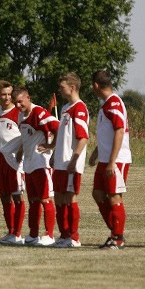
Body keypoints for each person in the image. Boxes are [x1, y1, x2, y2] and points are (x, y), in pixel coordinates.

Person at [89, 70, 132, 250]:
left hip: (116, 159)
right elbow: (108, 133)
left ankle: (118, 238)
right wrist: (97, 152)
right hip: (106, 159)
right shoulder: (105, 104)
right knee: (98, 193)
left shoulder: (113, 103)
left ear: (96, 86)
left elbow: (120, 131)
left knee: (114, 197)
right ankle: (114, 231)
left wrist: (113, 161)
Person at [14, 87, 59, 246]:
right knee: (33, 200)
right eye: (16, 102)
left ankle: (49, 234)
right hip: (29, 164)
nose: (18, 105)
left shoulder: (39, 112)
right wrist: (20, 151)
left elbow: (58, 127)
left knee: (45, 199)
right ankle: (33, 234)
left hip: (41, 163)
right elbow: (25, 137)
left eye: (21, 101)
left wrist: (51, 145)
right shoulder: (20, 116)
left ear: (28, 98)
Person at [51, 73, 89, 248]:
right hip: (60, 162)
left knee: (69, 198)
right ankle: (64, 235)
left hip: (70, 163)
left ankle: (74, 237)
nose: (60, 90)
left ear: (72, 87)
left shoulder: (79, 108)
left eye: (62, 87)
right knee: (58, 198)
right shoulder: (66, 107)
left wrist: (74, 159)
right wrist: (53, 154)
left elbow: (83, 137)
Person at [0, 80, 26, 245]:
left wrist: (20, 152)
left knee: (17, 196)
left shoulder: (18, 113)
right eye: (3, 94)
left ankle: (18, 233)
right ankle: (11, 231)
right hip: (1, 157)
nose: (6, 97)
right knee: (4, 196)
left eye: (9, 94)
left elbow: (26, 135)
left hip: (15, 159)